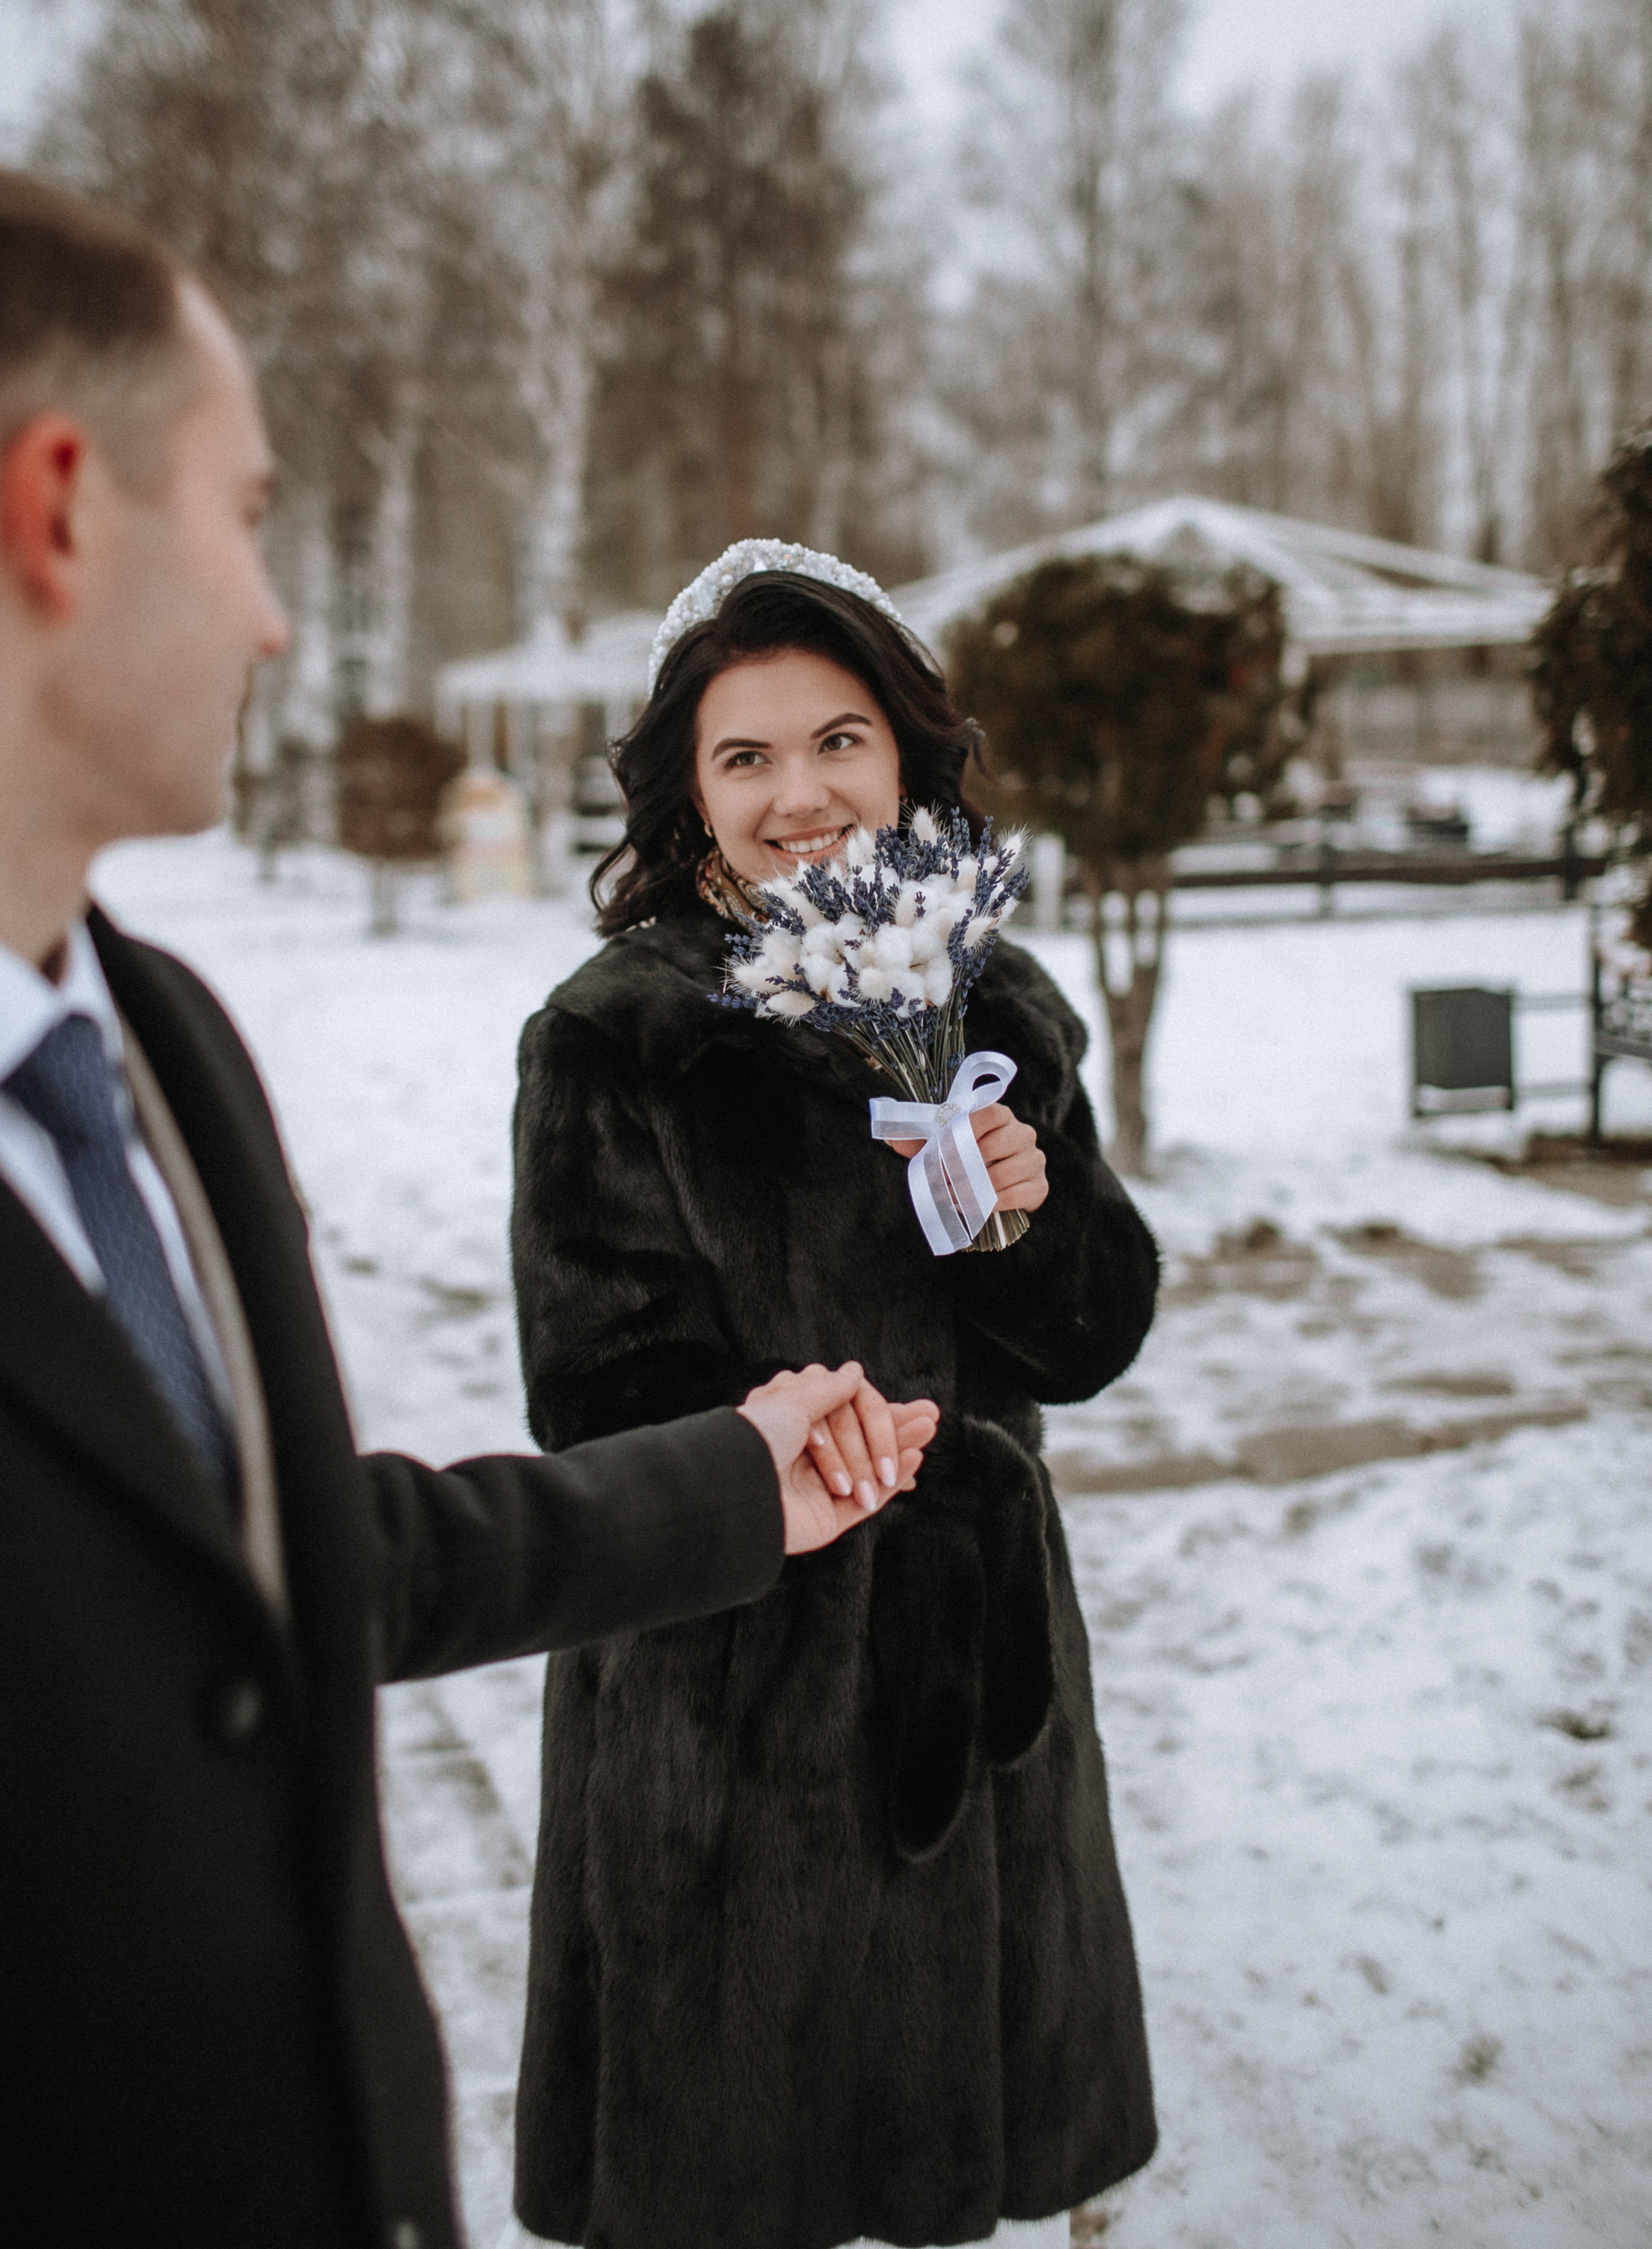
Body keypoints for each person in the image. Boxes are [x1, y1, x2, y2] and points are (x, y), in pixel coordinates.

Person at [0, 161, 938, 2249]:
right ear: (59, 509)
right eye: (248, 510)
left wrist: (736, 1487)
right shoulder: (592, 1034)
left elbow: (283, 1565)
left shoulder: (160, 1042)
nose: (275, 614)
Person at [508, 545, 1162, 2249]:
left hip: (978, 1657)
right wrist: (808, 1441)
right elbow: (595, 1394)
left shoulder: (996, 997)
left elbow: (1085, 1337)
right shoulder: (620, 1034)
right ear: (686, 789)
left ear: (910, 754)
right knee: (748, 2158)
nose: (801, 796)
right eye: (745, 757)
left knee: (959, 2142)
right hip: (735, 1699)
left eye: (839, 740)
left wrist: (1022, 1218)